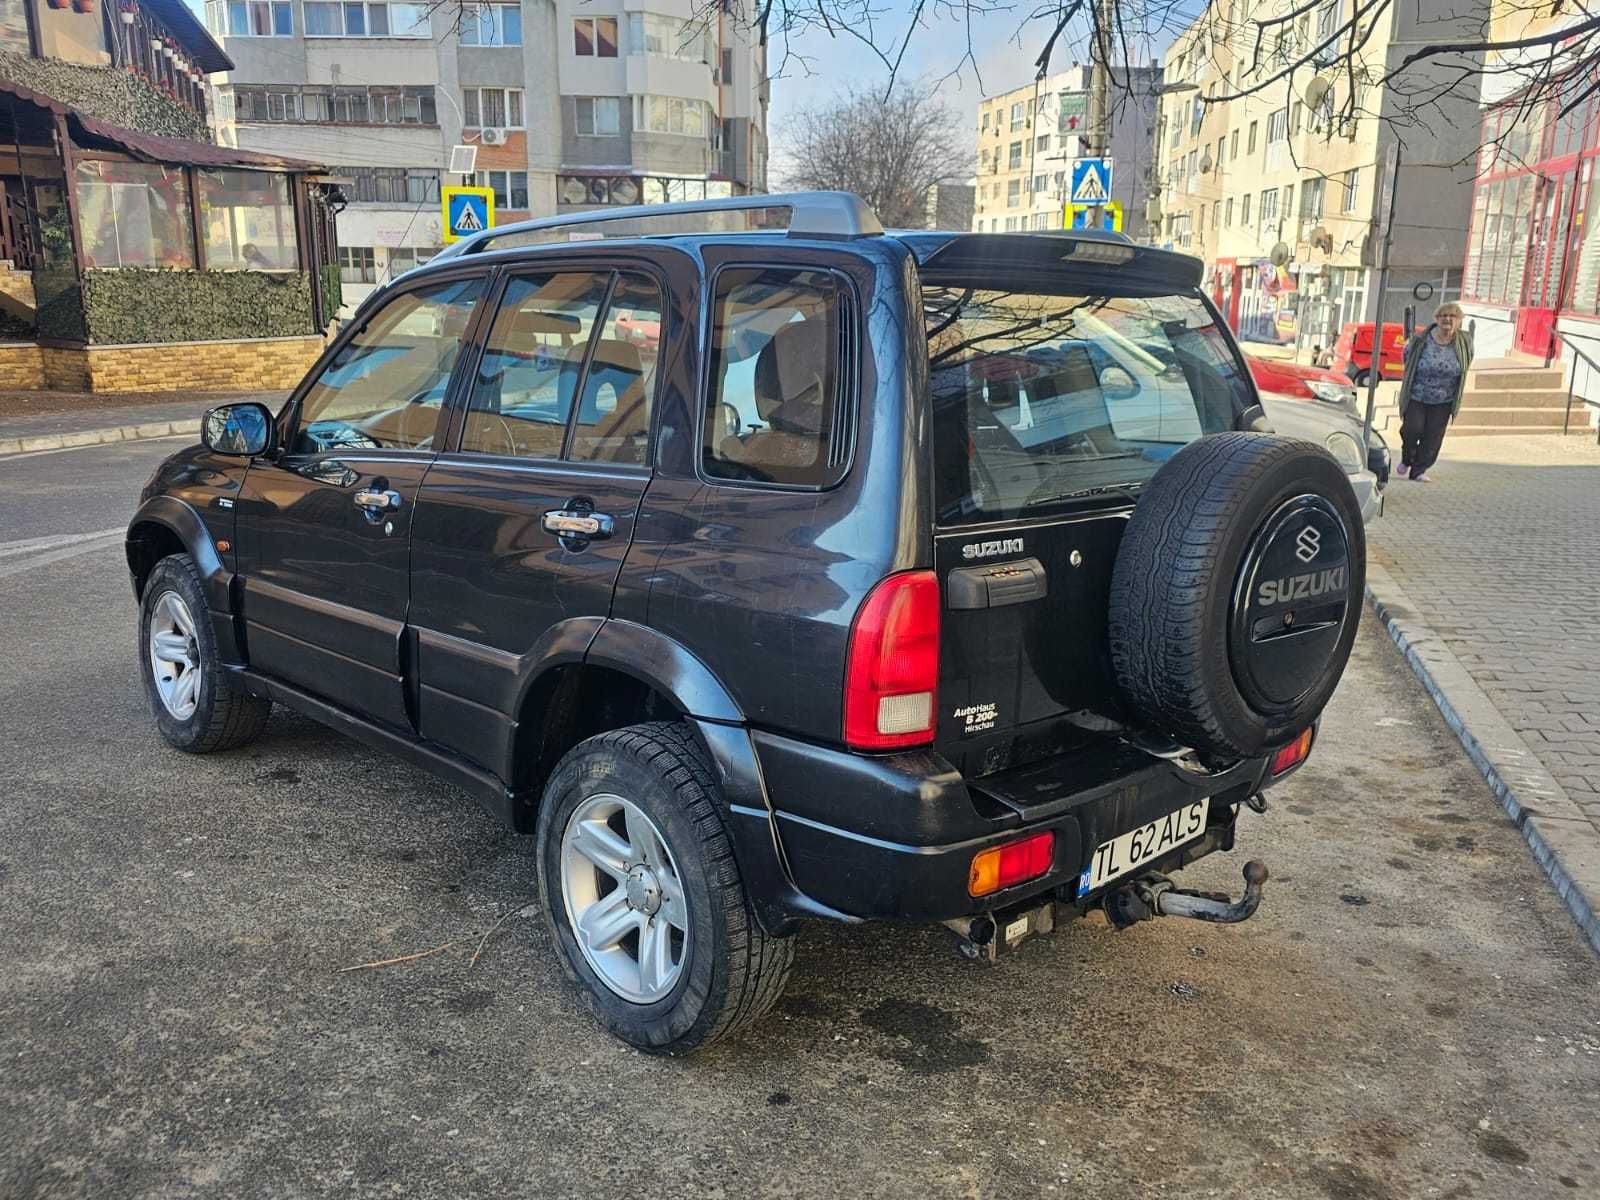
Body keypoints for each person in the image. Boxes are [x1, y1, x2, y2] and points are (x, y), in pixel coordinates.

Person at [1396, 301, 1473, 482]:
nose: (1448, 319)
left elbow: (1466, 363)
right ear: (1436, 319)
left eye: (1453, 316)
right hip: (1418, 394)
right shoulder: (1421, 339)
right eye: (1443, 316)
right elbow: (1407, 358)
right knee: (1411, 429)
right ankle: (1408, 458)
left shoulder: (1464, 342)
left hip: (1444, 399)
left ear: (1459, 321)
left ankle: (1418, 470)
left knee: (1433, 436)